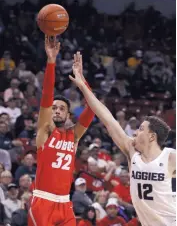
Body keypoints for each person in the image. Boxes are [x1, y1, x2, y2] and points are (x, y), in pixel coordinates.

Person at [69, 52, 176, 226]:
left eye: (140, 129)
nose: (134, 132)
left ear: (152, 136)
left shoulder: (170, 157)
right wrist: (82, 85)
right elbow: (107, 118)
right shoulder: (132, 152)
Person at [28, 37, 95, 226]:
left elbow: (92, 110)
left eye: (62, 108)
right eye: (54, 108)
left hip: (65, 203)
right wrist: (51, 62)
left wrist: (82, 82)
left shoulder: (74, 136)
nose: (56, 110)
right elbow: (46, 96)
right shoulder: (45, 130)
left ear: (68, 114)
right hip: (43, 201)